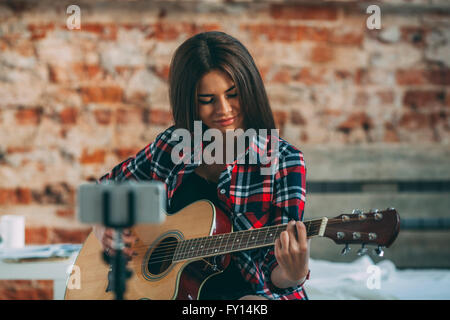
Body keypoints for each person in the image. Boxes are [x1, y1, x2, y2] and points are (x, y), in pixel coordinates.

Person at [93, 31, 309, 300]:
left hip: (253, 295)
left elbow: (275, 272)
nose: (224, 109)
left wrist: (294, 273)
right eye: (207, 100)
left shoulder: (284, 161)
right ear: (189, 102)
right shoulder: (174, 146)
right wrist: (104, 228)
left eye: (233, 94)